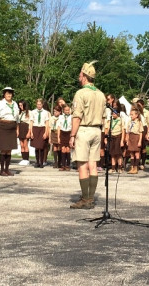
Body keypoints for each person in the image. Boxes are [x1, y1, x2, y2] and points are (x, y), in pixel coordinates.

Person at [68, 61, 107, 209]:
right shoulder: (101, 94)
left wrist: (72, 135)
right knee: (93, 165)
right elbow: (104, 116)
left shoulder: (81, 93)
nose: (79, 78)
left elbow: (77, 116)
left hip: (84, 130)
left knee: (82, 165)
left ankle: (85, 199)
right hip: (97, 130)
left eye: (80, 75)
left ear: (84, 76)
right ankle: (90, 197)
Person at [0, 87, 19, 176]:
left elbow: (17, 118)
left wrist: (17, 129)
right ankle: (2, 169)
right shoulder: (0, 103)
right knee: (4, 149)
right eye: (7, 93)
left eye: (10, 93)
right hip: (3, 126)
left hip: (12, 127)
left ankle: (7, 169)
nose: (9, 95)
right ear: (4, 94)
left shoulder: (14, 104)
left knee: (9, 149)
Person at [29, 98, 50, 168]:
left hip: (42, 128)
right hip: (35, 128)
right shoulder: (33, 112)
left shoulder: (45, 112)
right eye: (38, 104)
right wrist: (31, 132)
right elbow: (31, 122)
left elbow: (47, 123)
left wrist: (46, 132)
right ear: (36, 104)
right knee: (36, 146)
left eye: (40, 104)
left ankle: (41, 162)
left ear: (42, 104)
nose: (39, 106)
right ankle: (37, 161)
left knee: (41, 146)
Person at [105, 107, 124, 172]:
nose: (113, 114)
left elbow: (123, 130)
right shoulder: (110, 120)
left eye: (115, 113)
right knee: (112, 153)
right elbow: (107, 129)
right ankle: (113, 168)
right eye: (112, 113)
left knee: (118, 153)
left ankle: (119, 167)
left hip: (118, 136)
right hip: (111, 137)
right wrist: (106, 139)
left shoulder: (121, 120)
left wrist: (122, 140)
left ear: (118, 113)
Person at [126, 108, 144, 174]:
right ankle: (132, 167)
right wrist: (127, 140)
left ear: (136, 115)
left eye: (132, 114)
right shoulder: (130, 122)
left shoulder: (139, 122)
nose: (131, 116)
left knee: (136, 153)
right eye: (130, 114)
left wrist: (139, 141)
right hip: (131, 137)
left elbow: (141, 132)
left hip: (136, 137)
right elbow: (128, 132)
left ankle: (136, 168)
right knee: (131, 154)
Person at [57, 103, 73, 171]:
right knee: (63, 149)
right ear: (63, 110)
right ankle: (63, 164)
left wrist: (72, 136)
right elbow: (59, 127)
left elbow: (72, 126)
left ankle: (68, 165)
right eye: (66, 110)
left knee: (68, 149)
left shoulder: (72, 117)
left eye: (68, 110)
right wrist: (58, 137)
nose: (67, 111)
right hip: (62, 133)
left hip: (69, 132)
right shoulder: (61, 117)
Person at [17, 100, 31, 166]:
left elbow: (30, 123)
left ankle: (26, 159)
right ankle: (23, 159)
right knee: (21, 145)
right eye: (19, 105)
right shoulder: (19, 113)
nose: (20, 107)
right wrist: (17, 130)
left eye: (21, 105)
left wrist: (29, 132)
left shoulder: (29, 112)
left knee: (25, 144)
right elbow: (17, 122)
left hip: (26, 127)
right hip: (20, 127)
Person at [49, 104, 62, 170]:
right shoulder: (52, 118)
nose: (55, 113)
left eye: (56, 111)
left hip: (59, 132)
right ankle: (55, 162)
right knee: (55, 147)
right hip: (53, 132)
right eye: (54, 111)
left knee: (59, 147)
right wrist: (50, 137)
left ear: (60, 112)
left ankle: (60, 162)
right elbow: (50, 127)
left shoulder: (61, 118)